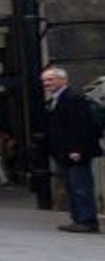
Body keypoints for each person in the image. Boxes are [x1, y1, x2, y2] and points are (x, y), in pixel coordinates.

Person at [39, 64, 102, 234]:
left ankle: (87, 220)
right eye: (44, 80)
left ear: (63, 80)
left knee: (81, 186)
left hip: (75, 152)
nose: (47, 83)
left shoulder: (73, 98)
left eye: (50, 79)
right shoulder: (56, 100)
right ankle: (78, 219)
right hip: (64, 152)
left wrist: (77, 149)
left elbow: (80, 126)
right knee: (72, 187)